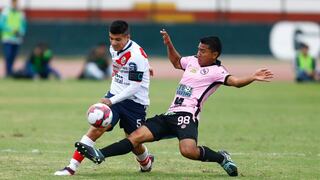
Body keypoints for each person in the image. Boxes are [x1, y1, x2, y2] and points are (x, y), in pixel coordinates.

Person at [75, 29, 274, 177]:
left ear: (214, 54)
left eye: (203, 51)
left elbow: (236, 82)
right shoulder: (193, 62)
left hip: (187, 116)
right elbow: (177, 62)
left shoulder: (217, 72)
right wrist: (169, 44)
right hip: (170, 114)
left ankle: (221, 157)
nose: (199, 53)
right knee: (135, 137)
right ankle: (100, 154)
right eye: (198, 49)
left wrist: (253, 77)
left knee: (188, 151)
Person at [54, 20, 154, 176]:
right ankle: (71, 167)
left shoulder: (137, 56)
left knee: (133, 140)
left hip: (135, 103)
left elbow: (134, 86)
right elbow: (121, 68)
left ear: (128, 37)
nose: (113, 43)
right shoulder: (114, 49)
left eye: (118, 39)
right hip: (114, 96)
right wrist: (112, 97)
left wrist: (111, 100)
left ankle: (146, 161)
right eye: (111, 38)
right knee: (97, 128)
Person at [0, 0, 26, 77]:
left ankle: (10, 72)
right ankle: (8, 72)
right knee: (8, 55)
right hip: (7, 38)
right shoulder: (5, 12)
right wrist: (11, 30)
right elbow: (1, 25)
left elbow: (24, 25)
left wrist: (21, 32)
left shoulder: (21, 13)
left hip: (17, 39)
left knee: (14, 56)